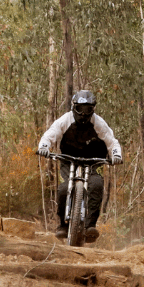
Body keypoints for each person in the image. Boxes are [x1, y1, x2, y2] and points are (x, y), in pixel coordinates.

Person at [37, 90, 122, 241]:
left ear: (93, 110)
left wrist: (116, 155)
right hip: (68, 158)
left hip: (93, 159)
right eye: (80, 109)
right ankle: (62, 225)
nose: (84, 114)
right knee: (63, 189)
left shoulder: (99, 123)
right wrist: (44, 146)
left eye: (88, 109)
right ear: (74, 107)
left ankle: (90, 226)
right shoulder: (65, 120)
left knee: (96, 185)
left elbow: (112, 141)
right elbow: (51, 134)